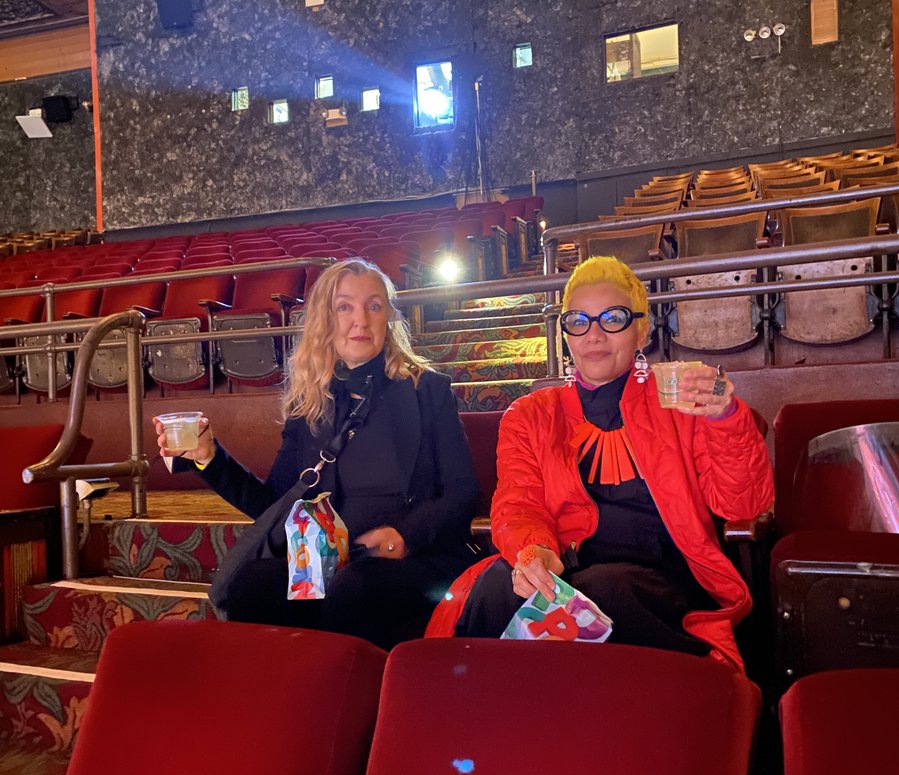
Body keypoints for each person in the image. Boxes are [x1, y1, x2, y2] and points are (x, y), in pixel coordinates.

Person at [430, 255, 773, 668]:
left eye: (612, 318)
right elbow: (519, 503)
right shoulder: (530, 414)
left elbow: (743, 506)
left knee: (605, 592)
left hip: (660, 576)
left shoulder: (680, 398)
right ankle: (485, 724)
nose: (594, 334)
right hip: (566, 564)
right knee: (498, 587)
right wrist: (534, 551)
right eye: (579, 321)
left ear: (641, 329)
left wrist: (724, 418)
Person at [154, 258, 479, 648]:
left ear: (388, 318)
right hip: (329, 562)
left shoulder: (428, 390)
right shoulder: (311, 403)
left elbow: (462, 493)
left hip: (415, 557)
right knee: (252, 585)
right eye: (345, 307)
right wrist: (209, 457)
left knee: (355, 587)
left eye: (374, 306)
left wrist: (403, 537)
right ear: (325, 320)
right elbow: (275, 505)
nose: (360, 320)